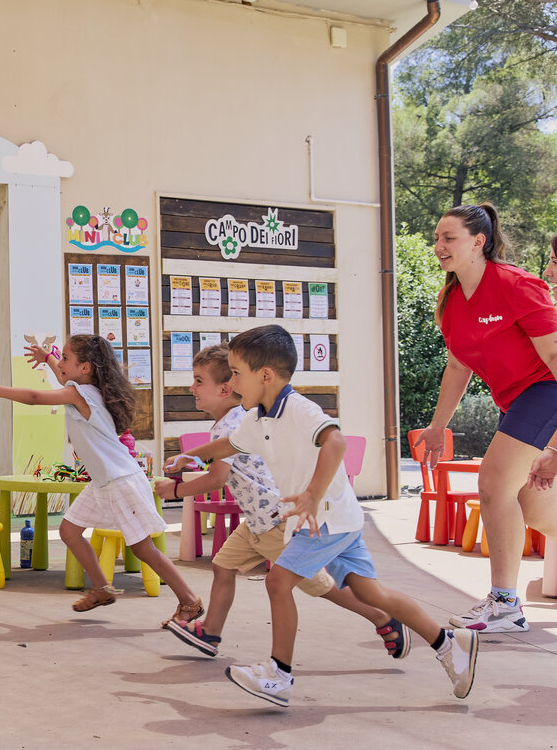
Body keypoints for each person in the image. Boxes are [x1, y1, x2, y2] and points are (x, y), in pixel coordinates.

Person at [178, 325, 477, 707]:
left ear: (265, 375)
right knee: (372, 593)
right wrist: (189, 456)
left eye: (236, 373)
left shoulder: (299, 410)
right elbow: (228, 445)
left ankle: (278, 675)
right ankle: (449, 644)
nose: (232, 383)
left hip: (325, 518)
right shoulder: (256, 419)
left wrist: (312, 495)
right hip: (338, 519)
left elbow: (335, 441)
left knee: (278, 582)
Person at [158, 345, 402, 657]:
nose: (191, 388)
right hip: (257, 521)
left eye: (198, 381)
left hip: (275, 521)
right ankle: (210, 632)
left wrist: (175, 491)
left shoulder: (233, 423)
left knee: (320, 586)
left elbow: (217, 477)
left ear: (225, 388)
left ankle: (381, 617)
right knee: (223, 565)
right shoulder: (232, 421)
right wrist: (187, 458)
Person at [0, 334, 203, 622]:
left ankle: (190, 601)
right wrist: (48, 359)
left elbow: (36, 398)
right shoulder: (86, 390)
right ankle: (101, 589)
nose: (60, 363)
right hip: (103, 482)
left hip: (120, 480)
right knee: (69, 531)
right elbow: (64, 377)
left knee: (143, 549)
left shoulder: (81, 394)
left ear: (85, 367)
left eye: (65, 358)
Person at [415, 203, 557, 633]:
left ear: (478, 241)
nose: (439, 246)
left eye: (449, 238)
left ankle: (506, 604)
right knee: (532, 507)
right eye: (437, 238)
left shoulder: (517, 285)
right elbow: (458, 365)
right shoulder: (451, 299)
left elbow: (554, 356)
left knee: (493, 485)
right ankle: (505, 603)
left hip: (545, 390)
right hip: (515, 403)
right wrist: (438, 425)